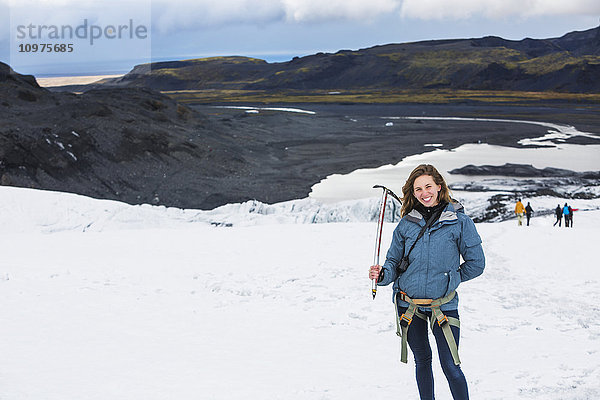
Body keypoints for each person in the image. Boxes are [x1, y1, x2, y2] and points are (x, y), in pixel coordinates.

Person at [369, 164, 485, 400]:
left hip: (444, 306)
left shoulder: (461, 223)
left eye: (428, 186)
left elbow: (476, 264)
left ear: (439, 187)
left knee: (451, 366)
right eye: (418, 189)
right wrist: (382, 275)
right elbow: (393, 262)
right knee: (422, 361)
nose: (424, 193)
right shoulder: (406, 224)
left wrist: (450, 280)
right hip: (408, 305)